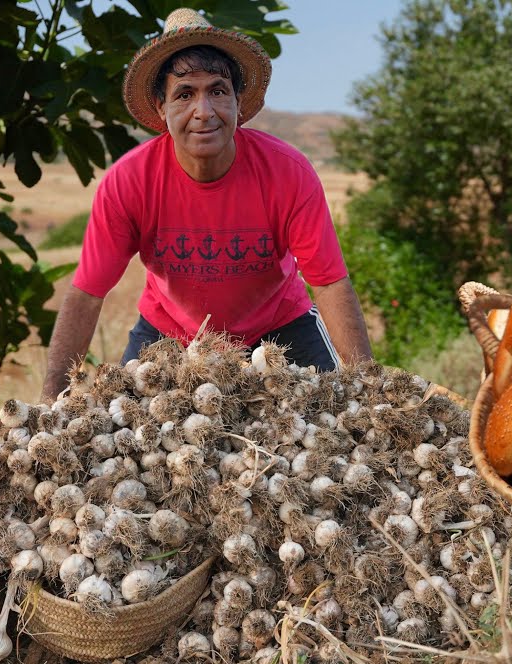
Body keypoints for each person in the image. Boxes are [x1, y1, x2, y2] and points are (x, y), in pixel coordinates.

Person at [41, 8, 372, 399]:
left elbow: (329, 283)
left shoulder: (288, 172)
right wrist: (50, 400)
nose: (204, 111)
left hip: (281, 327)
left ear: (237, 101)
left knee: (337, 420)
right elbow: (87, 293)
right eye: (184, 94)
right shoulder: (129, 181)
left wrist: (366, 386)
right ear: (161, 108)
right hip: (169, 333)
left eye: (217, 91)